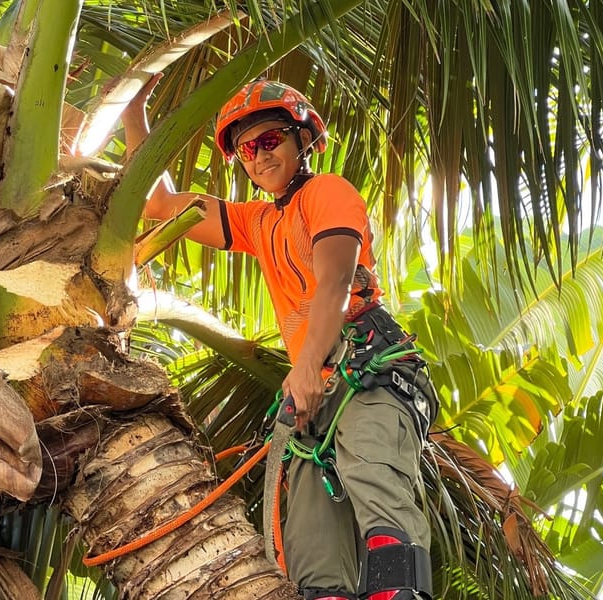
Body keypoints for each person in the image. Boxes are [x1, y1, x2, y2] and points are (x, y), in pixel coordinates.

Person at [122, 74, 437, 600]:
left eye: (270, 140)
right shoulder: (256, 220)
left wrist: (309, 364)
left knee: (376, 489)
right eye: (247, 149)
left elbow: (336, 278)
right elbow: (156, 203)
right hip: (312, 397)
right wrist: (135, 110)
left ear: (301, 139)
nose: (259, 155)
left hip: (367, 374)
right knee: (312, 556)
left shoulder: (328, 192)